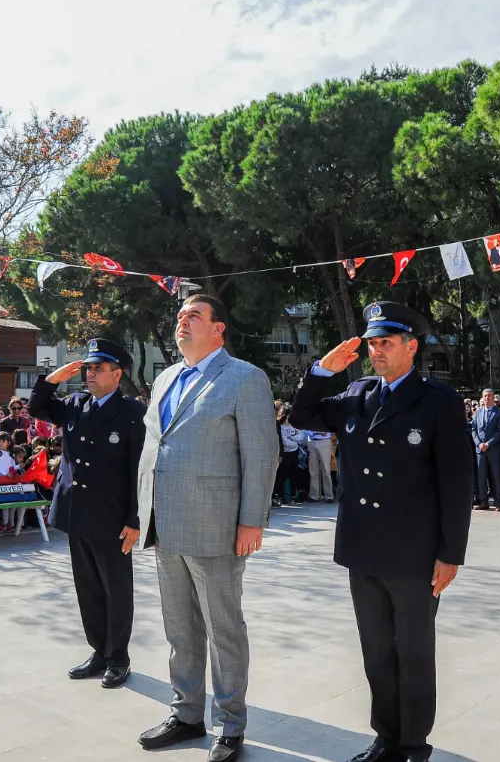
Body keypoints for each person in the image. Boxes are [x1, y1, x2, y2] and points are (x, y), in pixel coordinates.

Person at [290, 301, 472, 762]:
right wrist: (320, 370)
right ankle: (386, 736)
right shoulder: (355, 395)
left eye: (386, 342)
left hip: (414, 555)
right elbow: (300, 416)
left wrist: (450, 554)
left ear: (411, 347)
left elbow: (456, 485)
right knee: (375, 652)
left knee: (413, 652)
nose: (376, 351)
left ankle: (413, 744)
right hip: (362, 548)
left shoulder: (438, 403)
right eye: (372, 343)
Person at [135, 295, 278, 762]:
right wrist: (139, 515)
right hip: (164, 525)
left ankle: (231, 725)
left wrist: (252, 520)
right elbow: (155, 448)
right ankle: (187, 712)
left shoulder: (244, 378)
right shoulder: (165, 378)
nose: (183, 322)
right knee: (180, 628)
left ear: (219, 329)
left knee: (223, 629)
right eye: (179, 317)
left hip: (216, 525)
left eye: (193, 316)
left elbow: (261, 455)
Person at [28, 337, 146, 689]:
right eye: (88, 367)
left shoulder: (132, 413)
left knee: (116, 589)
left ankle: (118, 657)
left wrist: (135, 519)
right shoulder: (75, 403)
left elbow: (139, 469)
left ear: (117, 373)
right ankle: (98, 651)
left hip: (111, 517)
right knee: (88, 587)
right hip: (76, 511)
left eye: (98, 368)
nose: (90, 373)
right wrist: (52, 379)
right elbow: (37, 407)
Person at [471, 389, 500, 510]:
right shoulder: (478, 412)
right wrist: (479, 443)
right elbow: (474, 430)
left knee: (496, 476)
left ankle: (498, 502)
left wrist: (488, 443)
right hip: (480, 450)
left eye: (489, 396)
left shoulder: (499, 412)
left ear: (492, 397)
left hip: (494, 449)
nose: (487, 398)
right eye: (485, 396)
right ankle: (483, 501)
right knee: (481, 476)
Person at [304, 428, 335, 503]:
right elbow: (304, 428)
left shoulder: (325, 416)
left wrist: (327, 431)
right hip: (312, 441)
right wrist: (312, 433)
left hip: (324, 441)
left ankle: (329, 496)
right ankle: (314, 495)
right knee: (313, 470)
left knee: (326, 470)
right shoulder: (309, 416)